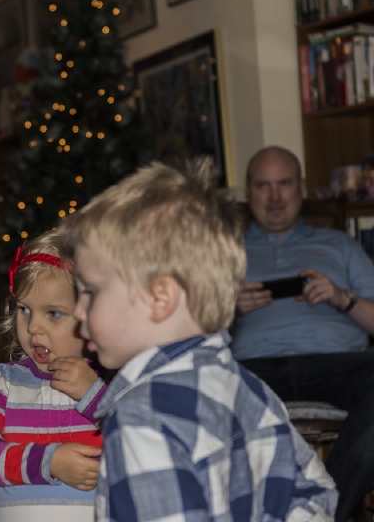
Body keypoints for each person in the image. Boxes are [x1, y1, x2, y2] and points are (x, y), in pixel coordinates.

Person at [60, 160, 337, 522]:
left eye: (90, 291)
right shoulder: (252, 391)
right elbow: (316, 493)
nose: (77, 310)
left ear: (161, 298)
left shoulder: (141, 418)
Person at [232, 145, 374, 522]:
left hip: (338, 365)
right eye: (263, 185)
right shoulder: (223, 252)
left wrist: (342, 298)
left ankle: (322, 511)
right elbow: (185, 330)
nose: (275, 197)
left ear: (302, 187)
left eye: (284, 184)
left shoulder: (341, 245)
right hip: (250, 372)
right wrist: (227, 310)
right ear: (248, 192)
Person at [0, 231, 108, 522]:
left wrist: (94, 394)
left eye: (53, 313)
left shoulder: (112, 383)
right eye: (24, 309)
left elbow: (143, 443)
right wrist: (47, 462)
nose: (33, 327)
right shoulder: (1, 383)